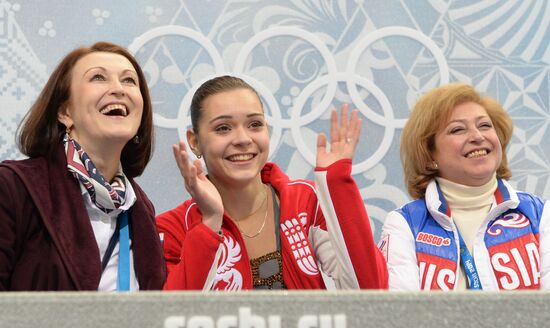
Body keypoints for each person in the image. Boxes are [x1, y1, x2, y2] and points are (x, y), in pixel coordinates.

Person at [157, 75, 387, 290]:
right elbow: (170, 317)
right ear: (194, 141)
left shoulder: (306, 202)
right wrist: (210, 223)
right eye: (223, 128)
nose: (243, 139)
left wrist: (337, 185)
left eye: (254, 124)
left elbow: (370, 291)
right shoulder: (173, 228)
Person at [0, 42, 165, 291]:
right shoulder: (12, 188)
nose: (119, 89)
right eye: (98, 77)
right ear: (65, 112)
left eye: (129, 81)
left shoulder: (139, 207)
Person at [380, 82, 550, 291]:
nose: (478, 137)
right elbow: (398, 313)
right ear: (429, 155)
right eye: (458, 129)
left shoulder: (541, 215)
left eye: (485, 126)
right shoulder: (405, 224)